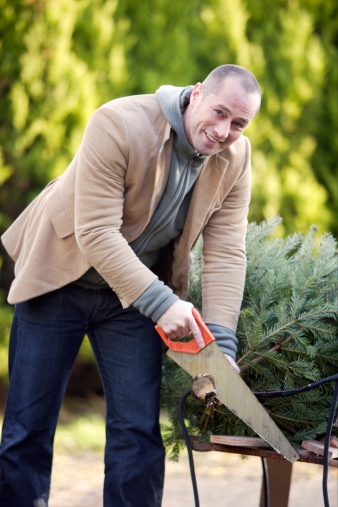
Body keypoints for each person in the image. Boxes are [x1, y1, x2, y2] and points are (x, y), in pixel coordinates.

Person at [0, 64, 261, 506]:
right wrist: (163, 304)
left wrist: (221, 344)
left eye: (238, 123)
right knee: (28, 428)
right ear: (196, 94)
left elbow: (226, 253)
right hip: (59, 278)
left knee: (137, 432)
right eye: (219, 113)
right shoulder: (118, 122)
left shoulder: (237, 158)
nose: (223, 131)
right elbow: (97, 234)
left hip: (131, 299)